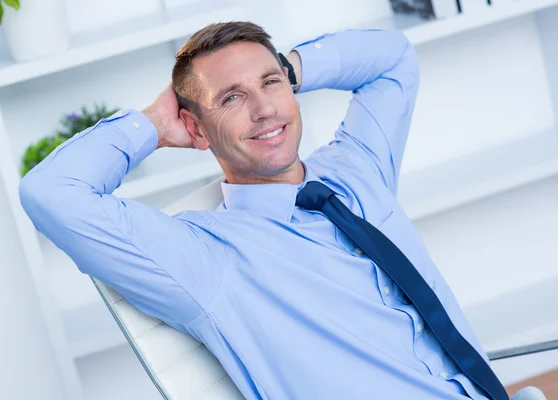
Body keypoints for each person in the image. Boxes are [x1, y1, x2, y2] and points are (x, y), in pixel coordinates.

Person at [19, 21, 498, 399]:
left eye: (272, 84)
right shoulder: (205, 260)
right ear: (198, 129)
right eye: (231, 98)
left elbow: (392, 59)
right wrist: (154, 124)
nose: (264, 109)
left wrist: (289, 64)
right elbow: (52, 192)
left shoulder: (357, 170)